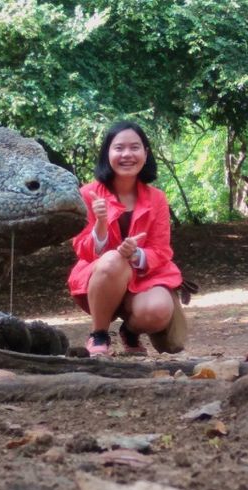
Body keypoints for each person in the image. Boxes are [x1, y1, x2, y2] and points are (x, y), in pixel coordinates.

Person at [67, 121, 184, 357]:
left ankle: (129, 332)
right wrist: (100, 225)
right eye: (119, 148)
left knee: (159, 310)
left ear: (146, 153)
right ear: (107, 153)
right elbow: (82, 250)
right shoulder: (88, 194)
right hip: (100, 278)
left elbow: (161, 250)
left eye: (135, 147)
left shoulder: (157, 198)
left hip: (142, 279)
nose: (127, 154)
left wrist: (137, 254)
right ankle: (98, 334)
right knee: (112, 259)